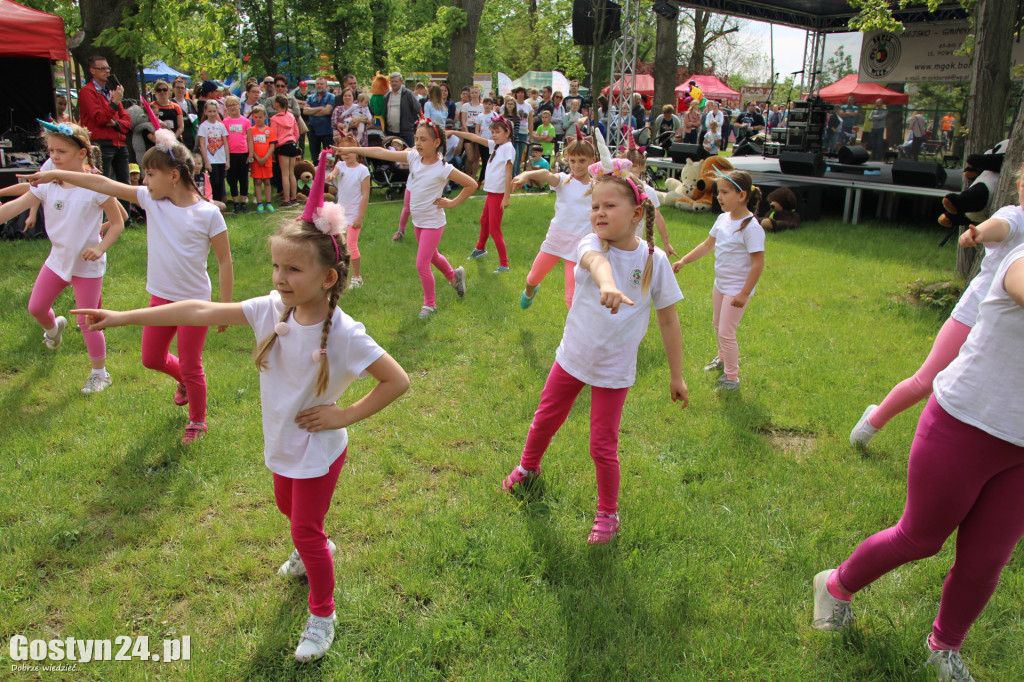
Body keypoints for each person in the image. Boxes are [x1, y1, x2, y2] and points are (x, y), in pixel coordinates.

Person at [71, 183, 409, 663]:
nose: (279, 277)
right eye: (276, 266)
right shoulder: (272, 310)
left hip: (317, 447)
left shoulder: (348, 335)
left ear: (329, 276)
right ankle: (307, 546)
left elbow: (397, 380)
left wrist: (345, 414)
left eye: (293, 269)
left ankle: (322, 612)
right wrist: (126, 315)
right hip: (282, 443)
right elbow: (199, 309)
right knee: (286, 509)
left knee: (306, 530)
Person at [813, 239, 1024, 682]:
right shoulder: (1019, 258)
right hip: (964, 423)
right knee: (920, 538)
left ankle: (944, 648)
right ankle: (836, 585)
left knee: (986, 561)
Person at [502, 154, 687, 545]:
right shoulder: (590, 242)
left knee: (603, 443)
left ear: (637, 213)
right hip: (572, 357)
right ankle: (528, 469)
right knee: (545, 418)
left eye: (609, 206)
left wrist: (676, 374)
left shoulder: (655, 261)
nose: (599, 213)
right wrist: (607, 284)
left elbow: (669, 320)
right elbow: (595, 261)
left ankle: (607, 513)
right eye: (594, 206)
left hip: (614, 368)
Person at [24, 133, 234, 444]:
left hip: (195, 303)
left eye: (150, 174)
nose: (144, 181)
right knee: (151, 358)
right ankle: (185, 382)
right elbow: (103, 185)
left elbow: (225, 261)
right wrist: (55, 173)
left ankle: (197, 421)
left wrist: (224, 309)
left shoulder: (208, 214)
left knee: (192, 362)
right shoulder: (151, 199)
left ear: (173, 176)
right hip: (161, 297)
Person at [851, 177, 1024, 448]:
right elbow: (1001, 226)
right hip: (972, 317)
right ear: (1019, 185)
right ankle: (872, 422)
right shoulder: (1014, 216)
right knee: (927, 381)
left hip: (1010, 332)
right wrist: (977, 233)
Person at [0, 122, 124, 393]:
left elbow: (117, 223)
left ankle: (99, 373)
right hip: (57, 260)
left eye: (61, 151)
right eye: (51, 151)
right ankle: (54, 329)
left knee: (87, 321)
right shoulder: (48, 184)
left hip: (87, 265)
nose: (54, 157)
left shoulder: (96, 186)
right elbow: (14, 208)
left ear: (82, 153)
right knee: (36, 307)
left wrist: (100, 249)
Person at [343, 119, 478, 317]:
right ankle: (454, 276)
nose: (418, 143)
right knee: (432, 256)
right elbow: (383, 153)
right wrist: (357, 149)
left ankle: (430, 305)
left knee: (422, 263)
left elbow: (471, 184)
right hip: (418, 221)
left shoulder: (443, 168)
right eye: (416, 139)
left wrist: (452, 202)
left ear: (436, 142)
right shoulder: (414, 157)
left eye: (423, 139)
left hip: (433, 223)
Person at [673, 169, 765, 391]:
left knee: (726, 331)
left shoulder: (751, 227)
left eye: (724, 192)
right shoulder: (723, 219)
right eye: (718, 192)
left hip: (736, 290)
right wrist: (684, 261)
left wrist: (744, 294)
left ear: (742, 195)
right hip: (721, 285)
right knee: (717, 324)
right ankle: (722, 358)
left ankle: (732, 378)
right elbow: (707, 245)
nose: (719, 197)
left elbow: (758, 263)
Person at [514, 134, 597, 309]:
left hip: (579, 246)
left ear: (592, 160)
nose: (576, 165)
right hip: (556, 239)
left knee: (571, 297)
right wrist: (526, 175)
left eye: (582, 160)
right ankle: (530, 291)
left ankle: (575, 334)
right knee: (532, 279)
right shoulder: (563, 180)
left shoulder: (596, 186)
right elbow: (545, 174)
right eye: (572, 160)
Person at [451, 116, 515, 272]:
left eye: (497, 132)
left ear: (507, 132)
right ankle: (480, 249)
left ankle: (504, 264)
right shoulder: (496, 146)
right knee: (484, 221)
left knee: (494, 229)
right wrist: (453, 131)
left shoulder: (508, 148)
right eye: (492, 131)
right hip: (491, 193)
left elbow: (508, 173)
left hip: (498, 195)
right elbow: (474, 137)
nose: (493, 135)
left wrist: (506, 197)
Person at [78, 56, 131, 192]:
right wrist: (114, 103)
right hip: (101, 143)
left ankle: (125, 213)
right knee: (102, 184)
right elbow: (100, 119)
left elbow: (127, 121)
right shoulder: (87, 92)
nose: (106, 71)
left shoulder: (110, 92)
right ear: (92, 71)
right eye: (102, 68)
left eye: (108, 68)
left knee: (125, 184)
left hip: (119, 143)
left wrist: (115, 124)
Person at [325, 139, 371, 288]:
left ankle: (357, 277)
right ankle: (336, 275)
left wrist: (360, 217)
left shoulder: (363, 170)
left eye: (350, 150)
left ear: (357, 150)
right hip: (340, 212)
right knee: (337, 244)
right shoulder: (340, 166)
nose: (346, 154)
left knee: (351, 245)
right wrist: (331, 175)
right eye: (343, 151)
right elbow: (334, 172)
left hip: (354, 213)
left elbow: (365, 195)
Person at [620, 147, 676, 258]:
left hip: (635, 243)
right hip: (616, 240)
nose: (630, 170)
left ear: (642, 166)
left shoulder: (648, 191)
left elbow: (658, 217)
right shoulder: (617, 188)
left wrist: (666, 243)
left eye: (634, 166)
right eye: (627, 166)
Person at [222, 96, 252, 213]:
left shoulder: (245, 121)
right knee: (232, 178)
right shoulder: (225, 122)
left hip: (243, 153)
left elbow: (249, 139)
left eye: (234, 104)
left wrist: (250, 154)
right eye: (229, 105)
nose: (232, 107)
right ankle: (235, 202)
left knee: (244, 178)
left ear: (239, 105)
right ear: (227, 108)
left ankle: (243, 202)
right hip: (230, 154)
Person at [198, 100, 229, 207]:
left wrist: (227, 160)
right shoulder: (203, 126)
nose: (212, 114)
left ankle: (219, 204)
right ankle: (213, 203)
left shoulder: (221, 126)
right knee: (214, 182)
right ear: (206, 112)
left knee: (220, 182)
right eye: (210, 111)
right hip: (211, 159)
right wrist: (206, 161)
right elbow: (202, 145)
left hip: (221, 159)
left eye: (214, 111)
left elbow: (225, 143)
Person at [271, 94, 300, 207]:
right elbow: (296, 133)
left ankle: (286, 199)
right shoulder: (291, 116)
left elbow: (274, 135)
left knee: (284, 174)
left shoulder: (275, 119)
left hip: (282, 146)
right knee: (291, 173)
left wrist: (275, 147)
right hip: (292, 144)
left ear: (277, 104)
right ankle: (294, 198)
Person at [248, 106, 276, 213]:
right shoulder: (251, 131)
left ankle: (268, 202)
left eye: (260, 117)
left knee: (267, 181)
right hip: (256, 161)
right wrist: (257, 157)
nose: (258, 119)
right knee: (258, 181)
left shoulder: (269, 131)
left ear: (265, 117)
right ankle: (259, 203)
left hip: (267, 161)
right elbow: (251, 145)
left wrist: (265, 157)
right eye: (256, 117)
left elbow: (272, 146)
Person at [383, 73, 420, 147]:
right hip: (391, 132)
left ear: (401, 82)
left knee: (408, 153)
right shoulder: (387, 95)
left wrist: (409, 123)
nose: (394, 83)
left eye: (396, 81)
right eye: (392, 81)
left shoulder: (408, 94)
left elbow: (417, 109)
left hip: (406, 133)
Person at [303, 77, 335, 160]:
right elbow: (305, 111)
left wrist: (312, 111)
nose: (319, 86)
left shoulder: (331, 97)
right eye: (317, 84)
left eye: (321, 84)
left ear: (326, 86)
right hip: (313, 131)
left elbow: (327, 111)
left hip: (327, 131)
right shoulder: (311, 98)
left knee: (329, 157)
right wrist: (320, 108)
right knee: (315, 157)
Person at [460, 86, 484, 178]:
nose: (474, 94)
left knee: (476, 157)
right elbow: (463, 119)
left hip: (478, 130)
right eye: (472, 93)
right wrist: (465, 130)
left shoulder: (482, 107)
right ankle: (467, 175)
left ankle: (474, 177)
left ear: (479, 93)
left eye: (475, 92)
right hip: (468, 130)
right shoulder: (466, 106)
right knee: (469, 157)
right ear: (470, 94)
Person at [512, 87, 534, 176]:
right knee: (515, 156)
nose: (520, 94)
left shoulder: (528, 106)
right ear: (516, 94)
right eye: (518, 92)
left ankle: (517, 174)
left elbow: (530, 121)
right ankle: (513, 175)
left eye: (522, 92)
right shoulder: (513, 104)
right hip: (514, 132)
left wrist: (531, 135)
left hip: (524, 132)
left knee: (520, 156)